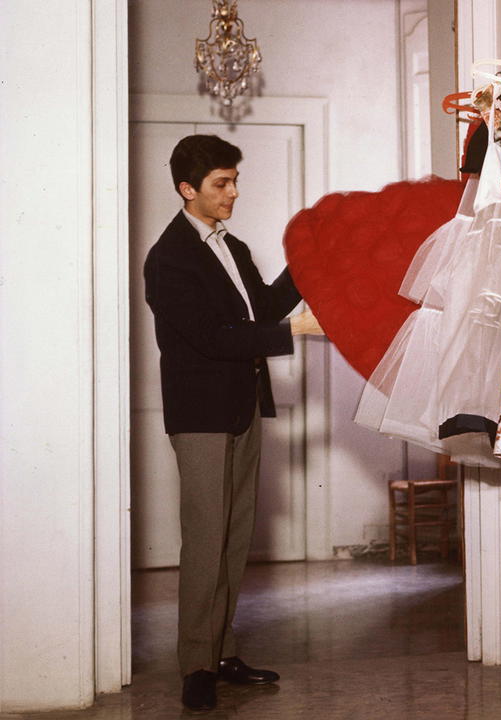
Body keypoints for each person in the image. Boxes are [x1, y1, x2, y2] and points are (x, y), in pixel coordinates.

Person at [143, 134, 324, 712]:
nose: (233, 193)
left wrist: (311, 259)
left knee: (234, 536)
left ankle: (222, 652)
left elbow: (262, 309)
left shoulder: (234, 246)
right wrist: (293, 334)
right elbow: (211, 337)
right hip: (200, 417)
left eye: (234, 181)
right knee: (204, 540)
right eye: (221, 184)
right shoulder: (168, 258)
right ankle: (195, 663)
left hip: (243, 407)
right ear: (187, 188)